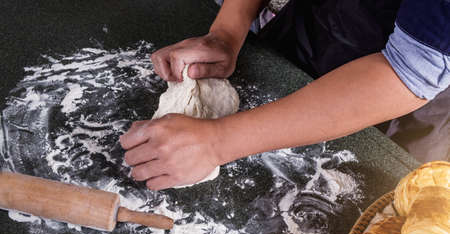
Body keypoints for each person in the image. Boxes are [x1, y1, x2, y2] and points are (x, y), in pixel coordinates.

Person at [120, 0, 449, 190]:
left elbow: (410, 70)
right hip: (316, 26)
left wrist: (216, 142)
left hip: (397, 107)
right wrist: (227, 30)